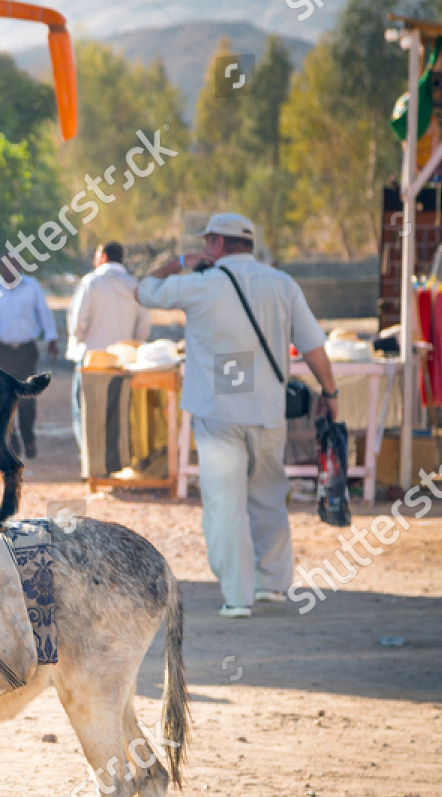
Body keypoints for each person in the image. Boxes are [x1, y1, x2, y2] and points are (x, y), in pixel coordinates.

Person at [136, 212, 339, 618]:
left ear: (215, 244)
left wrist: (180, 261)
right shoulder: (282, 284)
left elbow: (144, 289)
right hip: (267, 410)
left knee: (224, 504)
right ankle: (273, 585)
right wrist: (330, 392)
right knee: (268, 496)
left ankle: (236, 597)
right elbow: (314, 344)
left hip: (217, 412)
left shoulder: (198, 286)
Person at [67, 242, 153, 447]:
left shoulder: (92, 282)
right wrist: (132, 346)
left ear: (103, 257)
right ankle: (115, 462)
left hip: (91, 361)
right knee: (118, 412)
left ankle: (90, 463)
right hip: (124, 363)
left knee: (84, 412)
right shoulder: (134, 285)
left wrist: (79, 339)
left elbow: (78, 323)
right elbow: (144, 327)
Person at [0, 253, 59, 459]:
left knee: (28, 399)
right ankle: (12, 443)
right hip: (2, 351)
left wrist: (52, 340)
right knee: (5, 399)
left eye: (13, 264)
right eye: (4, 265)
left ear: (19, 266)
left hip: (26, 350)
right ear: (0, 268)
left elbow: (44, 314)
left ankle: (29, 437)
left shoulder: (32, 287)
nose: (8, 269)